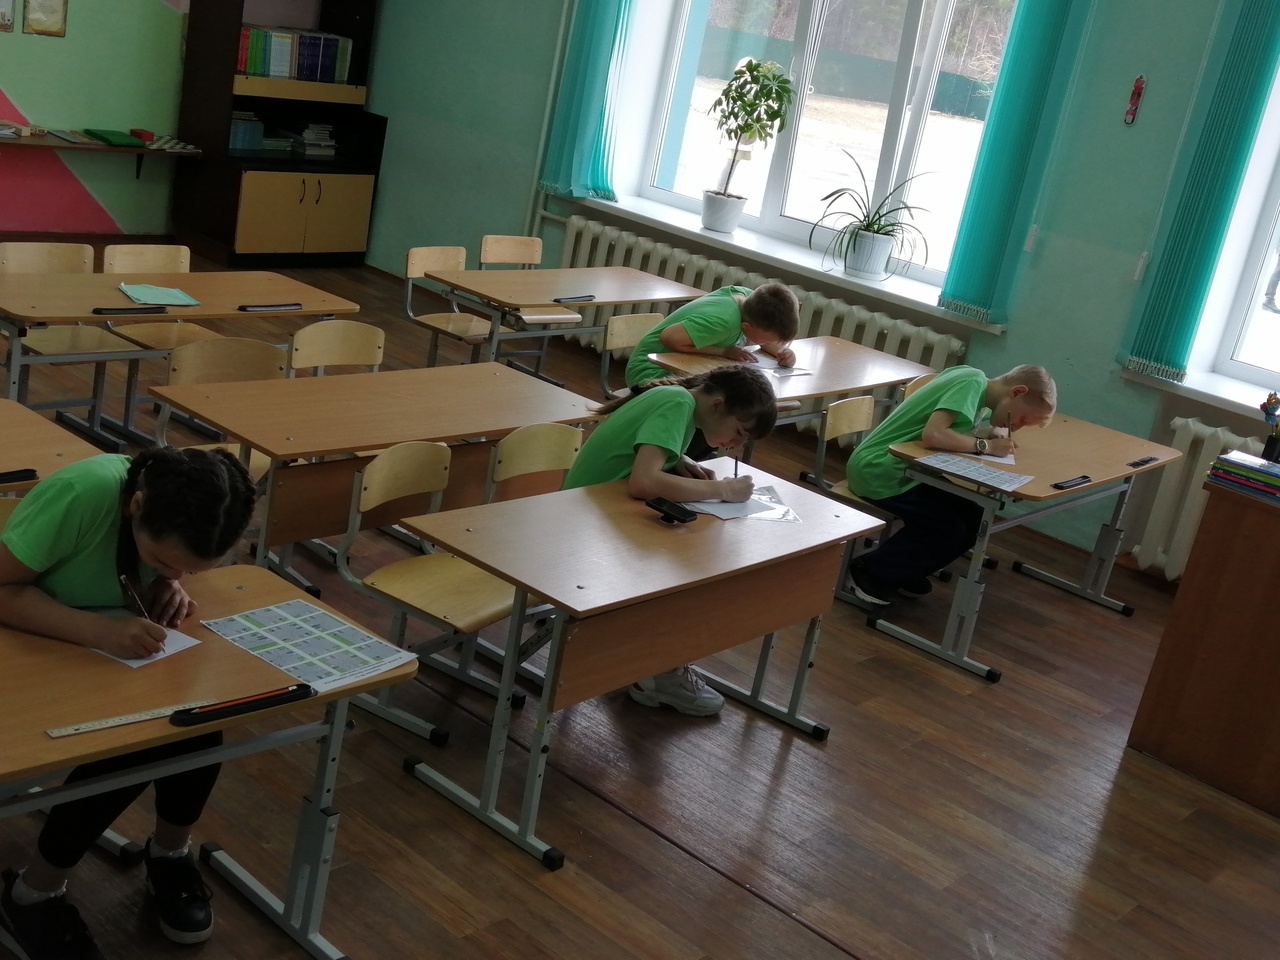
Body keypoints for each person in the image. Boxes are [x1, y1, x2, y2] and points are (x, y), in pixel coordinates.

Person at [0, 447, 258, 960]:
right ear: (136, 506)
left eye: (191, 569)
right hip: (28, 640)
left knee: (197, 718)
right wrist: (98, 630)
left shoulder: (180, 509)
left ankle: (170, 854)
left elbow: (162, 565)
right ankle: (31, 894)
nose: (175, 571)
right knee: (133, 741)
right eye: (164, 559)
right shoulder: (83, 494)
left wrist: (168, 582)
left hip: (98, 644)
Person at [563, 365, 778, 716]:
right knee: (688, 564)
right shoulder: (677, 403)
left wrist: (679, 459)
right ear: (717, 405)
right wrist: (722, 490)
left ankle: (648, 664)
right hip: (580, 532)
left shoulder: (679, 401)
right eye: (738, 433)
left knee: (687, 548)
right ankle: (655, 674)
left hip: (588, 515)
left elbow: (641, 460)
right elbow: (643, 483)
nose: (736, 446)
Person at [844, 364, 1057, 607]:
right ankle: (870, 571)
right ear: (1017, 392)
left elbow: (950, 430)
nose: (1015, 427)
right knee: (949, 529)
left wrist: (986, 433)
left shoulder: (976, 384)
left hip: (907, 470)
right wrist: (986, 446)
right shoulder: (971, 382)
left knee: (975, 520)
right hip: (879, 470)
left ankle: (901, 570)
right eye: (1022, 419)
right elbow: (933, 435)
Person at [624, 282, 801, 388]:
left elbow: (766, 336)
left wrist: (782, 352)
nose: (769, 344)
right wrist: (722, 351)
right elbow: (668, 337)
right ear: (746, 326)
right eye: (767, 341)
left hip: (680, 368)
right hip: (649, 371)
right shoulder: (724, 323)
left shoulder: (749, 300)